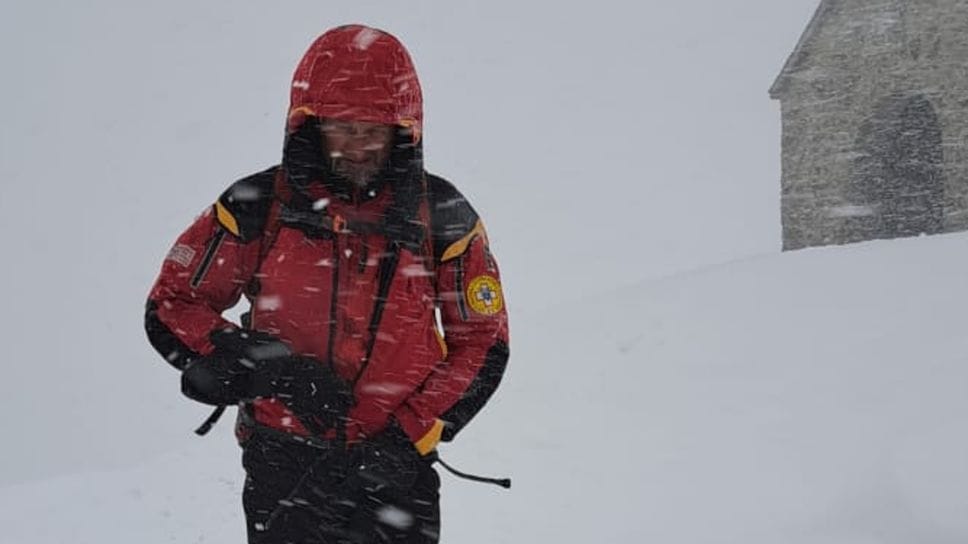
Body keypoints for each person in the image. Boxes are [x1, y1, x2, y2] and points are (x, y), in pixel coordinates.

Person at [144, 24, 510, 543]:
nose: (358, 145)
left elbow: (483, 342)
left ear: (404, 131)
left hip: (396, 475)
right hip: (284, 466)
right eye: (342, 127)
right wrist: (269, 368)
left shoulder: (444, 217)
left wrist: (407, 435)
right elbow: (172, 303)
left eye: (374, 129)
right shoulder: (256, 205)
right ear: (310, 125)